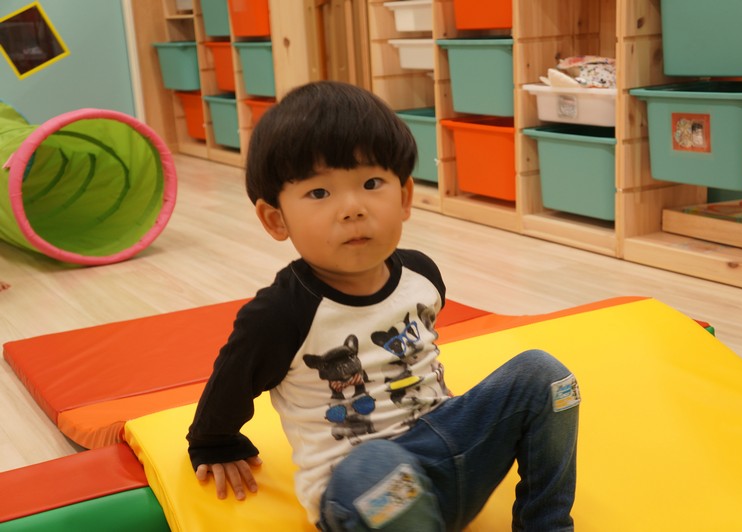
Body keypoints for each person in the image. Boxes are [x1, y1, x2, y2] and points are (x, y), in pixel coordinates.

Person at [187, 81, 580, 531]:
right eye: (320, 193)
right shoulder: (280, 315)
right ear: (276, 219)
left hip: (451, 458)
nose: (352, 208)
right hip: (367, 492)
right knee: (376, 466)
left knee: (546, 376)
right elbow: (231, 381)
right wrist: (214, 443)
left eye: (371, 183)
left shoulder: (422, 276)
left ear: (405, 196)